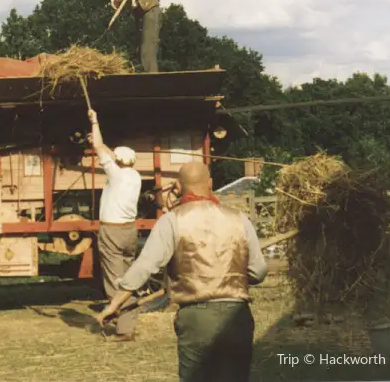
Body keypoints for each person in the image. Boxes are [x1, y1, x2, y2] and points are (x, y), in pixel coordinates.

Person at [95, 162, 268, 382]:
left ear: (178, 186)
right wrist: (232, 278)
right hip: (237, 315)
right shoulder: (239, 219)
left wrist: (115, 303)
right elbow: (259, 271)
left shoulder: (172, 221)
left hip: (196, 318)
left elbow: (144, 266)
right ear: (211, 183)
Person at [87, 108, 142, 342]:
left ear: (117, 162)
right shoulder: (134, 176)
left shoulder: (115, 174)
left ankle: (122, 328)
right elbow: (108, 152)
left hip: (112, 231)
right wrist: (102, 145)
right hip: (130, 231)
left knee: (114, 279)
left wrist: (95, 121)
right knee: (129, 277)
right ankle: (128, 324)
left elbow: (100, 148)